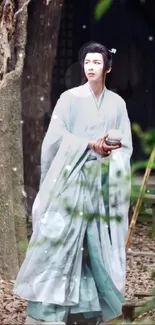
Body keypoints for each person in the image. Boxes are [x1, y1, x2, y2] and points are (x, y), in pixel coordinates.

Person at [13, 42, 133, 324]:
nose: (91, 67)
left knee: (95, 248)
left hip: (101, 182)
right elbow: (55, 139)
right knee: (63, 243)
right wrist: (88, 145)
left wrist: (110, 154)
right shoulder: (68, 99)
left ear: (108, 68)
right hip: (70, 179)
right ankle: (50, 309)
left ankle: (90, 306)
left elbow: (124, 145)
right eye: (87, 62)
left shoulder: (117, 104)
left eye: (97, 63)